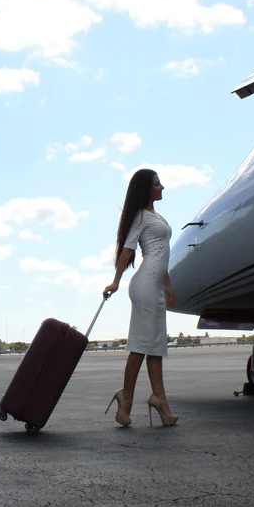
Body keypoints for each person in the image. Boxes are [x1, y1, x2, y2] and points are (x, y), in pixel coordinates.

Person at [103, 169, 179, 427]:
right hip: (144, 285)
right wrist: (116, 280)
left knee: (155, 346)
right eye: (157, 184)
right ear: (146, 188)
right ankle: (126, 399)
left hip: (156, 285)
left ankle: (160, 401)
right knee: (140, 345)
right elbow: (128, 250)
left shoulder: (156, 216)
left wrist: (167, 285)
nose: (162, 187)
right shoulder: (141, 216)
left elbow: (160, 254)